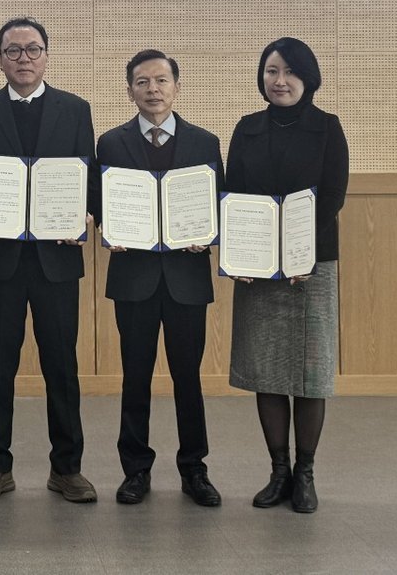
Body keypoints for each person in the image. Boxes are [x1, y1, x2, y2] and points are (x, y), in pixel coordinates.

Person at [0, 17, 99, 504]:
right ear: (0, 59)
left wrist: (86, 214)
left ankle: (67, 468)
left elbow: (88, 176)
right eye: (13, 50)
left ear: (47, 55)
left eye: (33, 49)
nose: (24, 58)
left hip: (56, 260)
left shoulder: (75, 109)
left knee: (62, 366)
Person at [225, 37, 349, 514]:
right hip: (258, 269)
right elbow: (234, 194)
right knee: (268, 369)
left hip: (310, 265)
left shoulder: (327, 128)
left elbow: (332, 196)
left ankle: (306, 473)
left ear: (308, 78)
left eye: (290, 71)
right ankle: (278, 472)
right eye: (272, 71)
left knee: (310, 372)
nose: (280, 81)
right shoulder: (247, 128)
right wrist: (243, 255)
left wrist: (296, 253)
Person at [97, 50, 224, 507]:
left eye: (161, 80)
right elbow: (100, 203)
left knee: (188, 378)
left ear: (176, 87)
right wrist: (109, 229)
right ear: (130, 90)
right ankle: (135, 470)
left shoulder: (205, 142)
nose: (153, 89)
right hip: (134, 278)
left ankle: (195, 469)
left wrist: (206, 234)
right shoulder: (110, 143)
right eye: (142, 82)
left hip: (187, 278)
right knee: (135, 376)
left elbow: (218, 203)